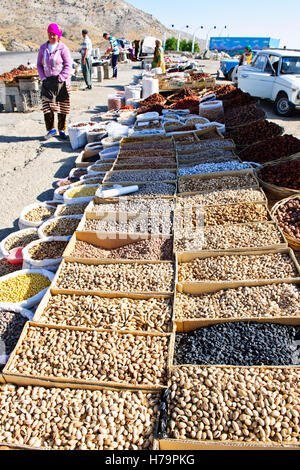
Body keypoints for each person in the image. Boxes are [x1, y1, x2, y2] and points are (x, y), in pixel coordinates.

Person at [37, 23, 72, 140]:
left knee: (63, 106)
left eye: (54, 34)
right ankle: (51, 129)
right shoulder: (43, 48)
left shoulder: (63, 48)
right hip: (47, 82)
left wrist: (61, 78)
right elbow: (39, 65)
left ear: (58, 35)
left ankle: (62, 130)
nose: (52, 36)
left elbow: (68, 66)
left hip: (61, 82)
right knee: (47, 106)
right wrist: (43, 78)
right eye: (50, 34)